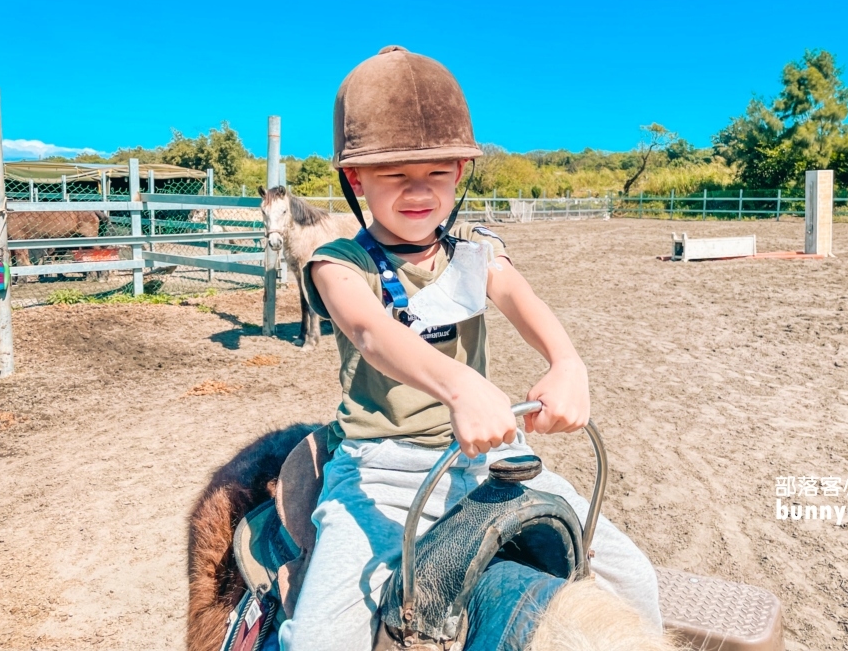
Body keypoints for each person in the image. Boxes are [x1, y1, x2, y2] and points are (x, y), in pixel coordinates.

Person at [278, 46, 660, 651]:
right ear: (356, 179)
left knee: (634, 580)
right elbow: (373, 332)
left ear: (461, 171)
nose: (419, 191)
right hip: (382, 468)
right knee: (319, 640)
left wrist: (567, 362)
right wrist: (460, 385)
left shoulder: (478, 255)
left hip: (489, 460)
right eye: (395, 174)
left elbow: (526, 304)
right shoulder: (338, 264)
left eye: (437, 172)